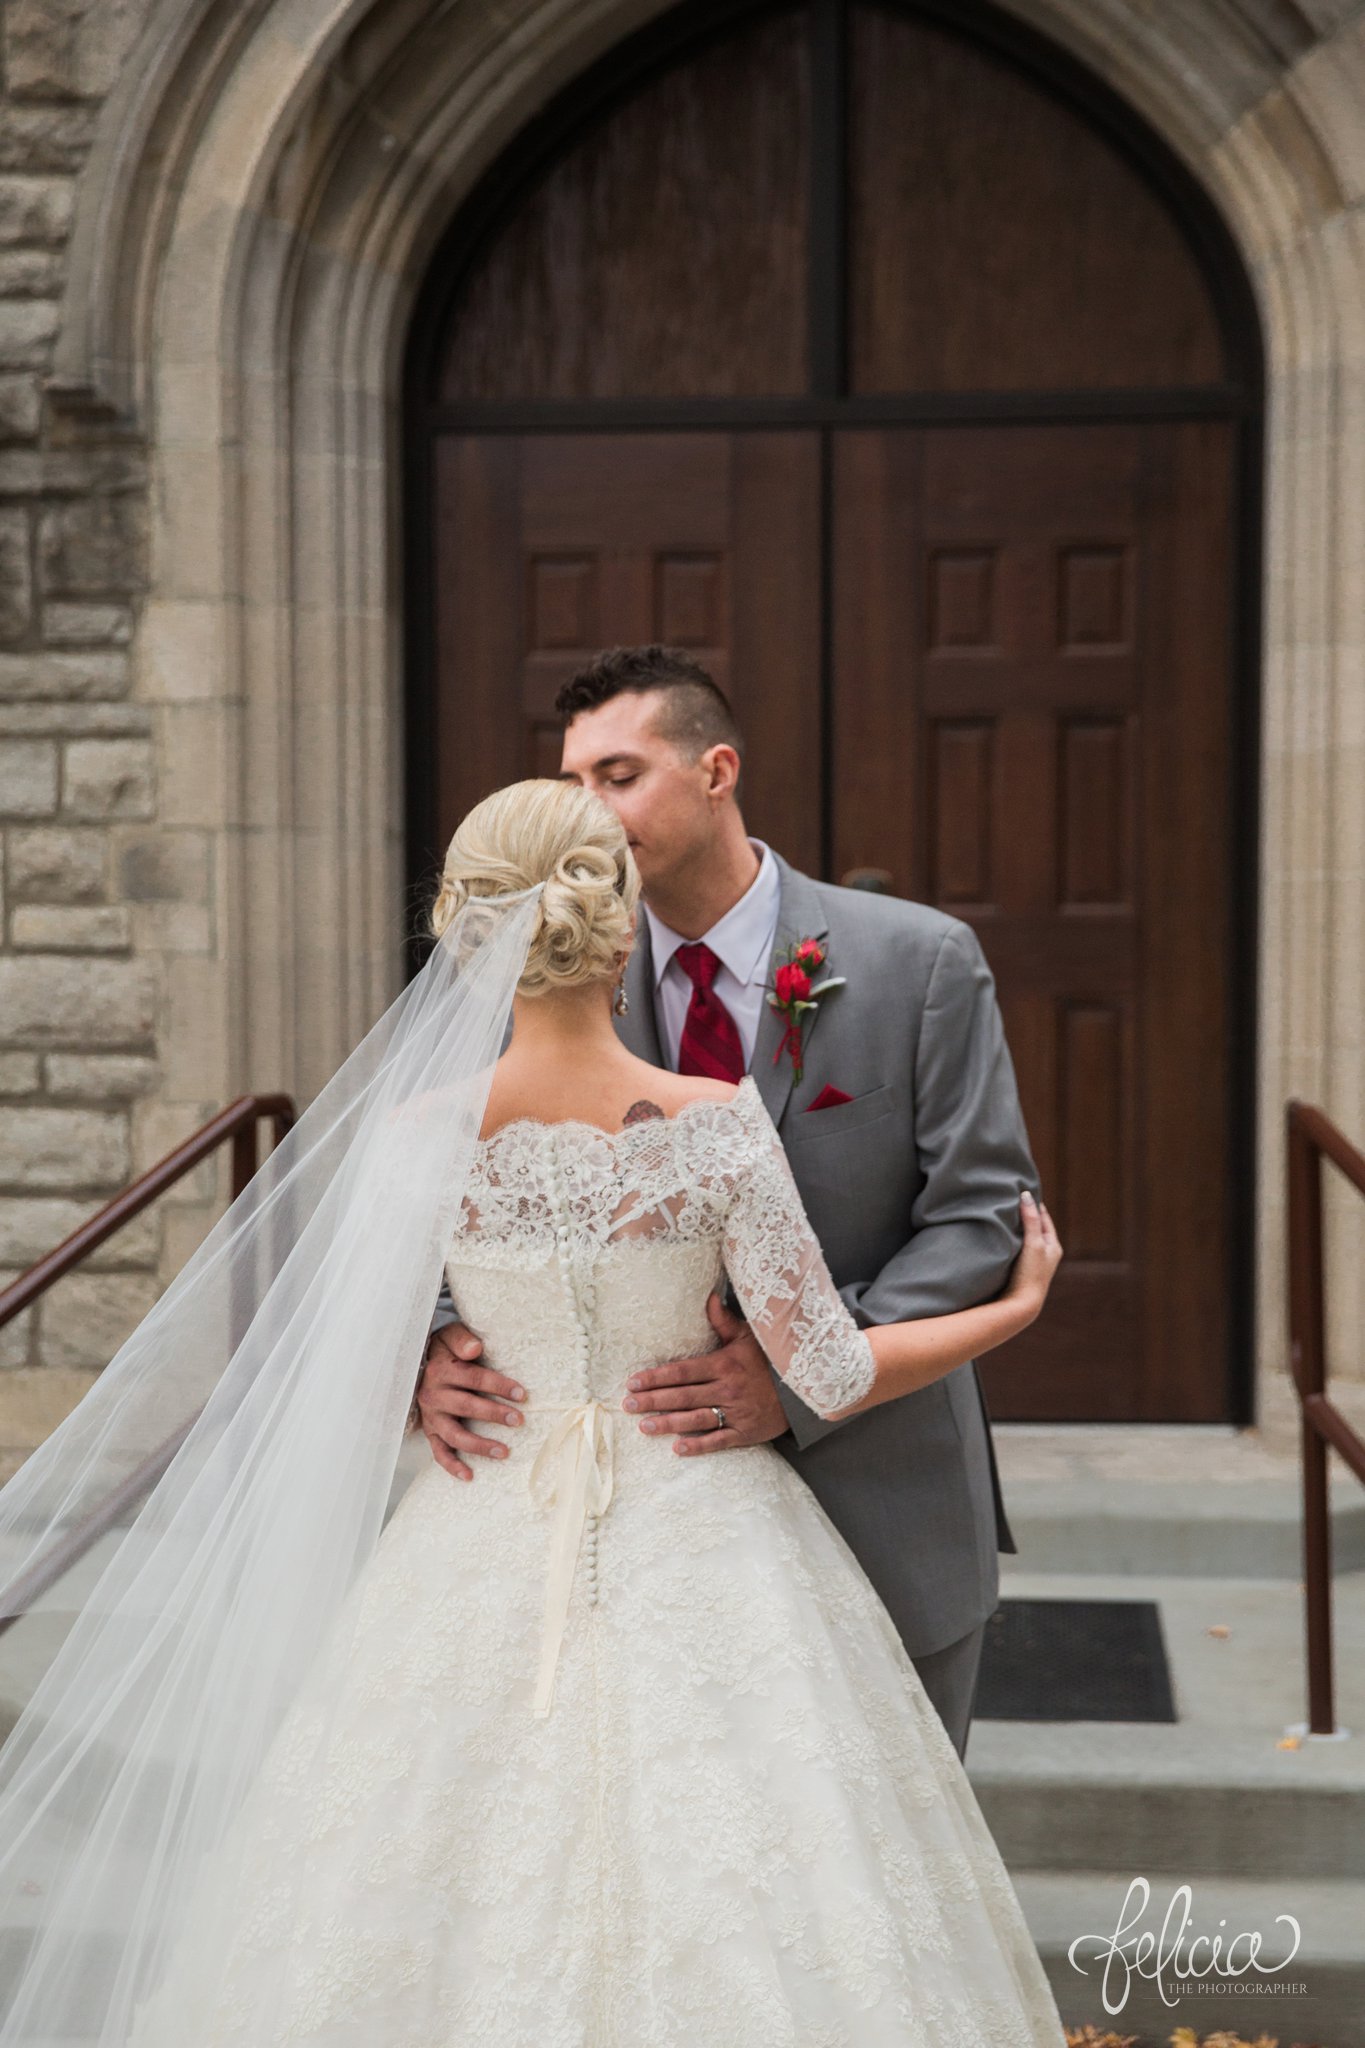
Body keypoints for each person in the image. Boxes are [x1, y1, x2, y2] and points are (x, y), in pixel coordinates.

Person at [101, 776, 1066, 2044]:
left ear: (466, 930)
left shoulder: (416, 1133)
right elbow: (824, 1369)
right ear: (618, 929)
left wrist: (425, 1374)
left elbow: (351, 1340)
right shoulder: (714, 1125)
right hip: (706, 1519)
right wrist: (1017, 1304)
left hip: (481, 1515)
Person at [417, 643, 1040, 1759]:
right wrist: (433, 1348)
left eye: (618, 774)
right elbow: (443, 1216)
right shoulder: (547, 985)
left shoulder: (920, 961)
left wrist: (798, 1367)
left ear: (716, 770)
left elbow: (981, 1216)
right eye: (571, 783)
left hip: (887, 1496)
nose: (589, 809)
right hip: (622, 1543)